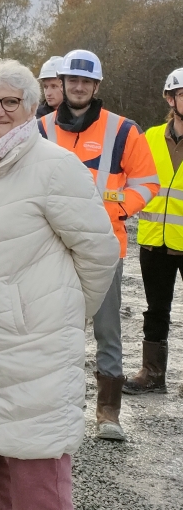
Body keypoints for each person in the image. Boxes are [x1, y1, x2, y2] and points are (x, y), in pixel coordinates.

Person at [0, 59, 119, 510]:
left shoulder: (56, 166)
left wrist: (59, 313)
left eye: (10, 101)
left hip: (31, 353)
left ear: (32, 107)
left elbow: (99, 254)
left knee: (37, 486)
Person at [38, 49, 158, 441]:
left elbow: (147, 182)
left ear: (96, 86)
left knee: (107, 330)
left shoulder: (123, 130)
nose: (78, 87)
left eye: (86, 81)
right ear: (62, 82)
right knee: (49, 327)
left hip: (105, 246)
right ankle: (51, 406)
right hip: (50, 247)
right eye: (72, 80)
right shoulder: (40, 128)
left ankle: (108, 412)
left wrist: (119, 211)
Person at [125, 67, 183, 397]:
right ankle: (152, 373)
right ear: (170, 98)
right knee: (155, 310)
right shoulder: (148, 138)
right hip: (153, 241)